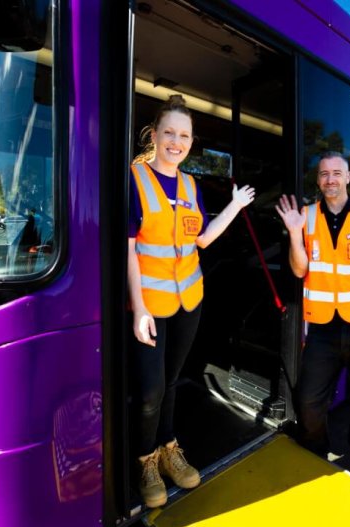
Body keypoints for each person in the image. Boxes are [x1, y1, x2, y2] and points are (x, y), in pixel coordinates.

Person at [128, 94, 255, 507]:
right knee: (149, 391)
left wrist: (234, 207)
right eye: (169, 133)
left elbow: (201, 239)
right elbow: (128, 249)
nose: (176, 141)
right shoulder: (136, 177)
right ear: (155, 134)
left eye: (184, 135)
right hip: (149, 305)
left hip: (189, 301)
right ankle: (145, 460)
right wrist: (139, 308)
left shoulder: (191, 185)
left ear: (191, 141)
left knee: (170, 383)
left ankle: (169, 448)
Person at [275, 151, 350, 489]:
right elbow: (300, 270)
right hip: (323, 328)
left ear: (348, 178)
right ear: (318, 180)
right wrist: (295, 235)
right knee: (309, 403)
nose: (330, 179)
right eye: (324, 173)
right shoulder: (306, 216)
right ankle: (316, 457)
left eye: (337, 173)